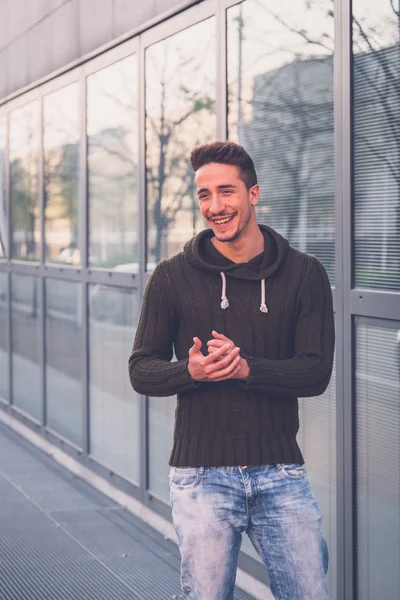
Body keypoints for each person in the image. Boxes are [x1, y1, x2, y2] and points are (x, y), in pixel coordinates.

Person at [129, 141, 335, 600]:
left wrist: (246, 368)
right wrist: (191, 372)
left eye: (226, 192)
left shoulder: (305, 274)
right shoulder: (171, 276)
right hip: (201, 476)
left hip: (280, 473)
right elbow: (141, 370)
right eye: (204, 195)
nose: (215, 207)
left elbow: (316, 372)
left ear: (254, 193)